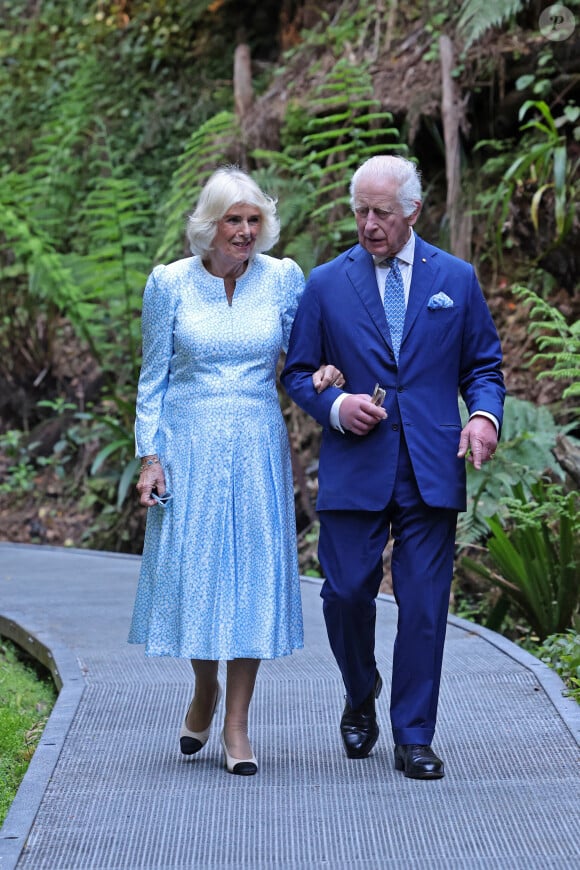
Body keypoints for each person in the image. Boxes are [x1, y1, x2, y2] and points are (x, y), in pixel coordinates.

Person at [281, 154, 505, 779]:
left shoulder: (455, 279)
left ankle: (414, 735)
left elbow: (483, 367)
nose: (369, 224)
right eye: (360, 211)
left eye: (381, 212)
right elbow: (298, 372)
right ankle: (360, 690)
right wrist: (335, 404)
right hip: (356, 464)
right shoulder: (327, 284)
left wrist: (483, 418)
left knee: (425, 602)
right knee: (345, 591)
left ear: (412, 210)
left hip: (432, 464)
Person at [128, 166, 343, 776]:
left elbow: (304, 356)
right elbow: (152, 379)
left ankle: (238, 722)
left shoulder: (283, 280)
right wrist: (151, 455)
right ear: (209, 225)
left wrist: (329, 372)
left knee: (249, 577)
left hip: (255, 444)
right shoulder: (167, 284)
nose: (246, 231)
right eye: (234, 220)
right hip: (187, 444)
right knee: (195, 574)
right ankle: (204, 688)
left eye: (254, 220)